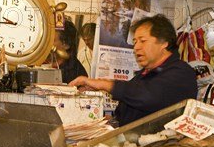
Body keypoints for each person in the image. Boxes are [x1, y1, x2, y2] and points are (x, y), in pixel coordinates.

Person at [69, 14, 197, 126]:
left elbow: (148, 96)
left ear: (164, 42)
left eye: (143, 41)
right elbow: (125, 112)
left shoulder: (181, 73)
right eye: (135, 42)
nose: (136, 47)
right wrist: (108, 122)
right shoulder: (142, 76)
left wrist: (103, 84)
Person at [47, 18, 88, 83]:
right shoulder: (40, 63)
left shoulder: (76, 74)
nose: (46, 43)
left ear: (66, 45)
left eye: (51, 40)